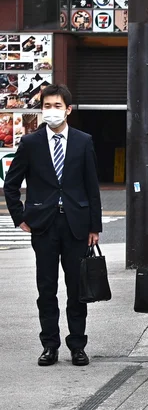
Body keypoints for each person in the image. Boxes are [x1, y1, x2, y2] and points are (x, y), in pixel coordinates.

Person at [3, 84, 102, 367]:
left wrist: (94, 226)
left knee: (76, 289)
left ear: (68, 110)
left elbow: (91, 186)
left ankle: (77, 346)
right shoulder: (31, 143)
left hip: (76, 225)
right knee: (46, 289)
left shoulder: (84, 141)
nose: (52, 111)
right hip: (43, 225)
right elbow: (11, 185)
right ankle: (50, 345)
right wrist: (20, 217)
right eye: (47, 106)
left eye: (57, 106)